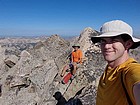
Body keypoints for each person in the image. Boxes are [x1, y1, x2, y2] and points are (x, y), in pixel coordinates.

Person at [91, 20, 140, 105]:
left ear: (128, 44)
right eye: (103, 41)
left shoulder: (129, 70)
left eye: (113, 41)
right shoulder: (109, 68)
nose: (106, 46)